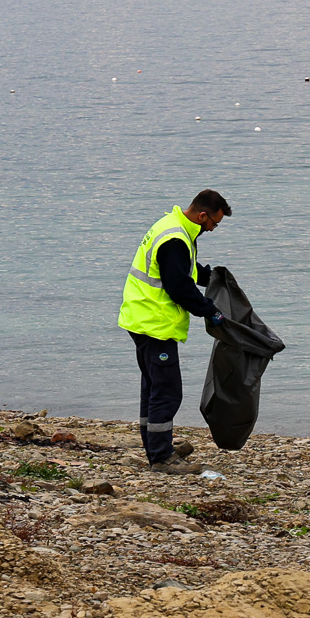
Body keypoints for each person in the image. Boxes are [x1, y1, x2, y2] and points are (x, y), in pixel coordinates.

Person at [118, 189, 232, 469]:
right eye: (213, 224)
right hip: (155, 323)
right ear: (202, 215)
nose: (212, 229)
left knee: (154, 386)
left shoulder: (172, 225)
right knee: (167, 391)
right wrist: (210, 310)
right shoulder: (175, 239)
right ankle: (160, 458)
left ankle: (155, 446)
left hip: (140, 317)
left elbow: (184, 270)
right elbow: (179, 287)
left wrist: (212, 277)